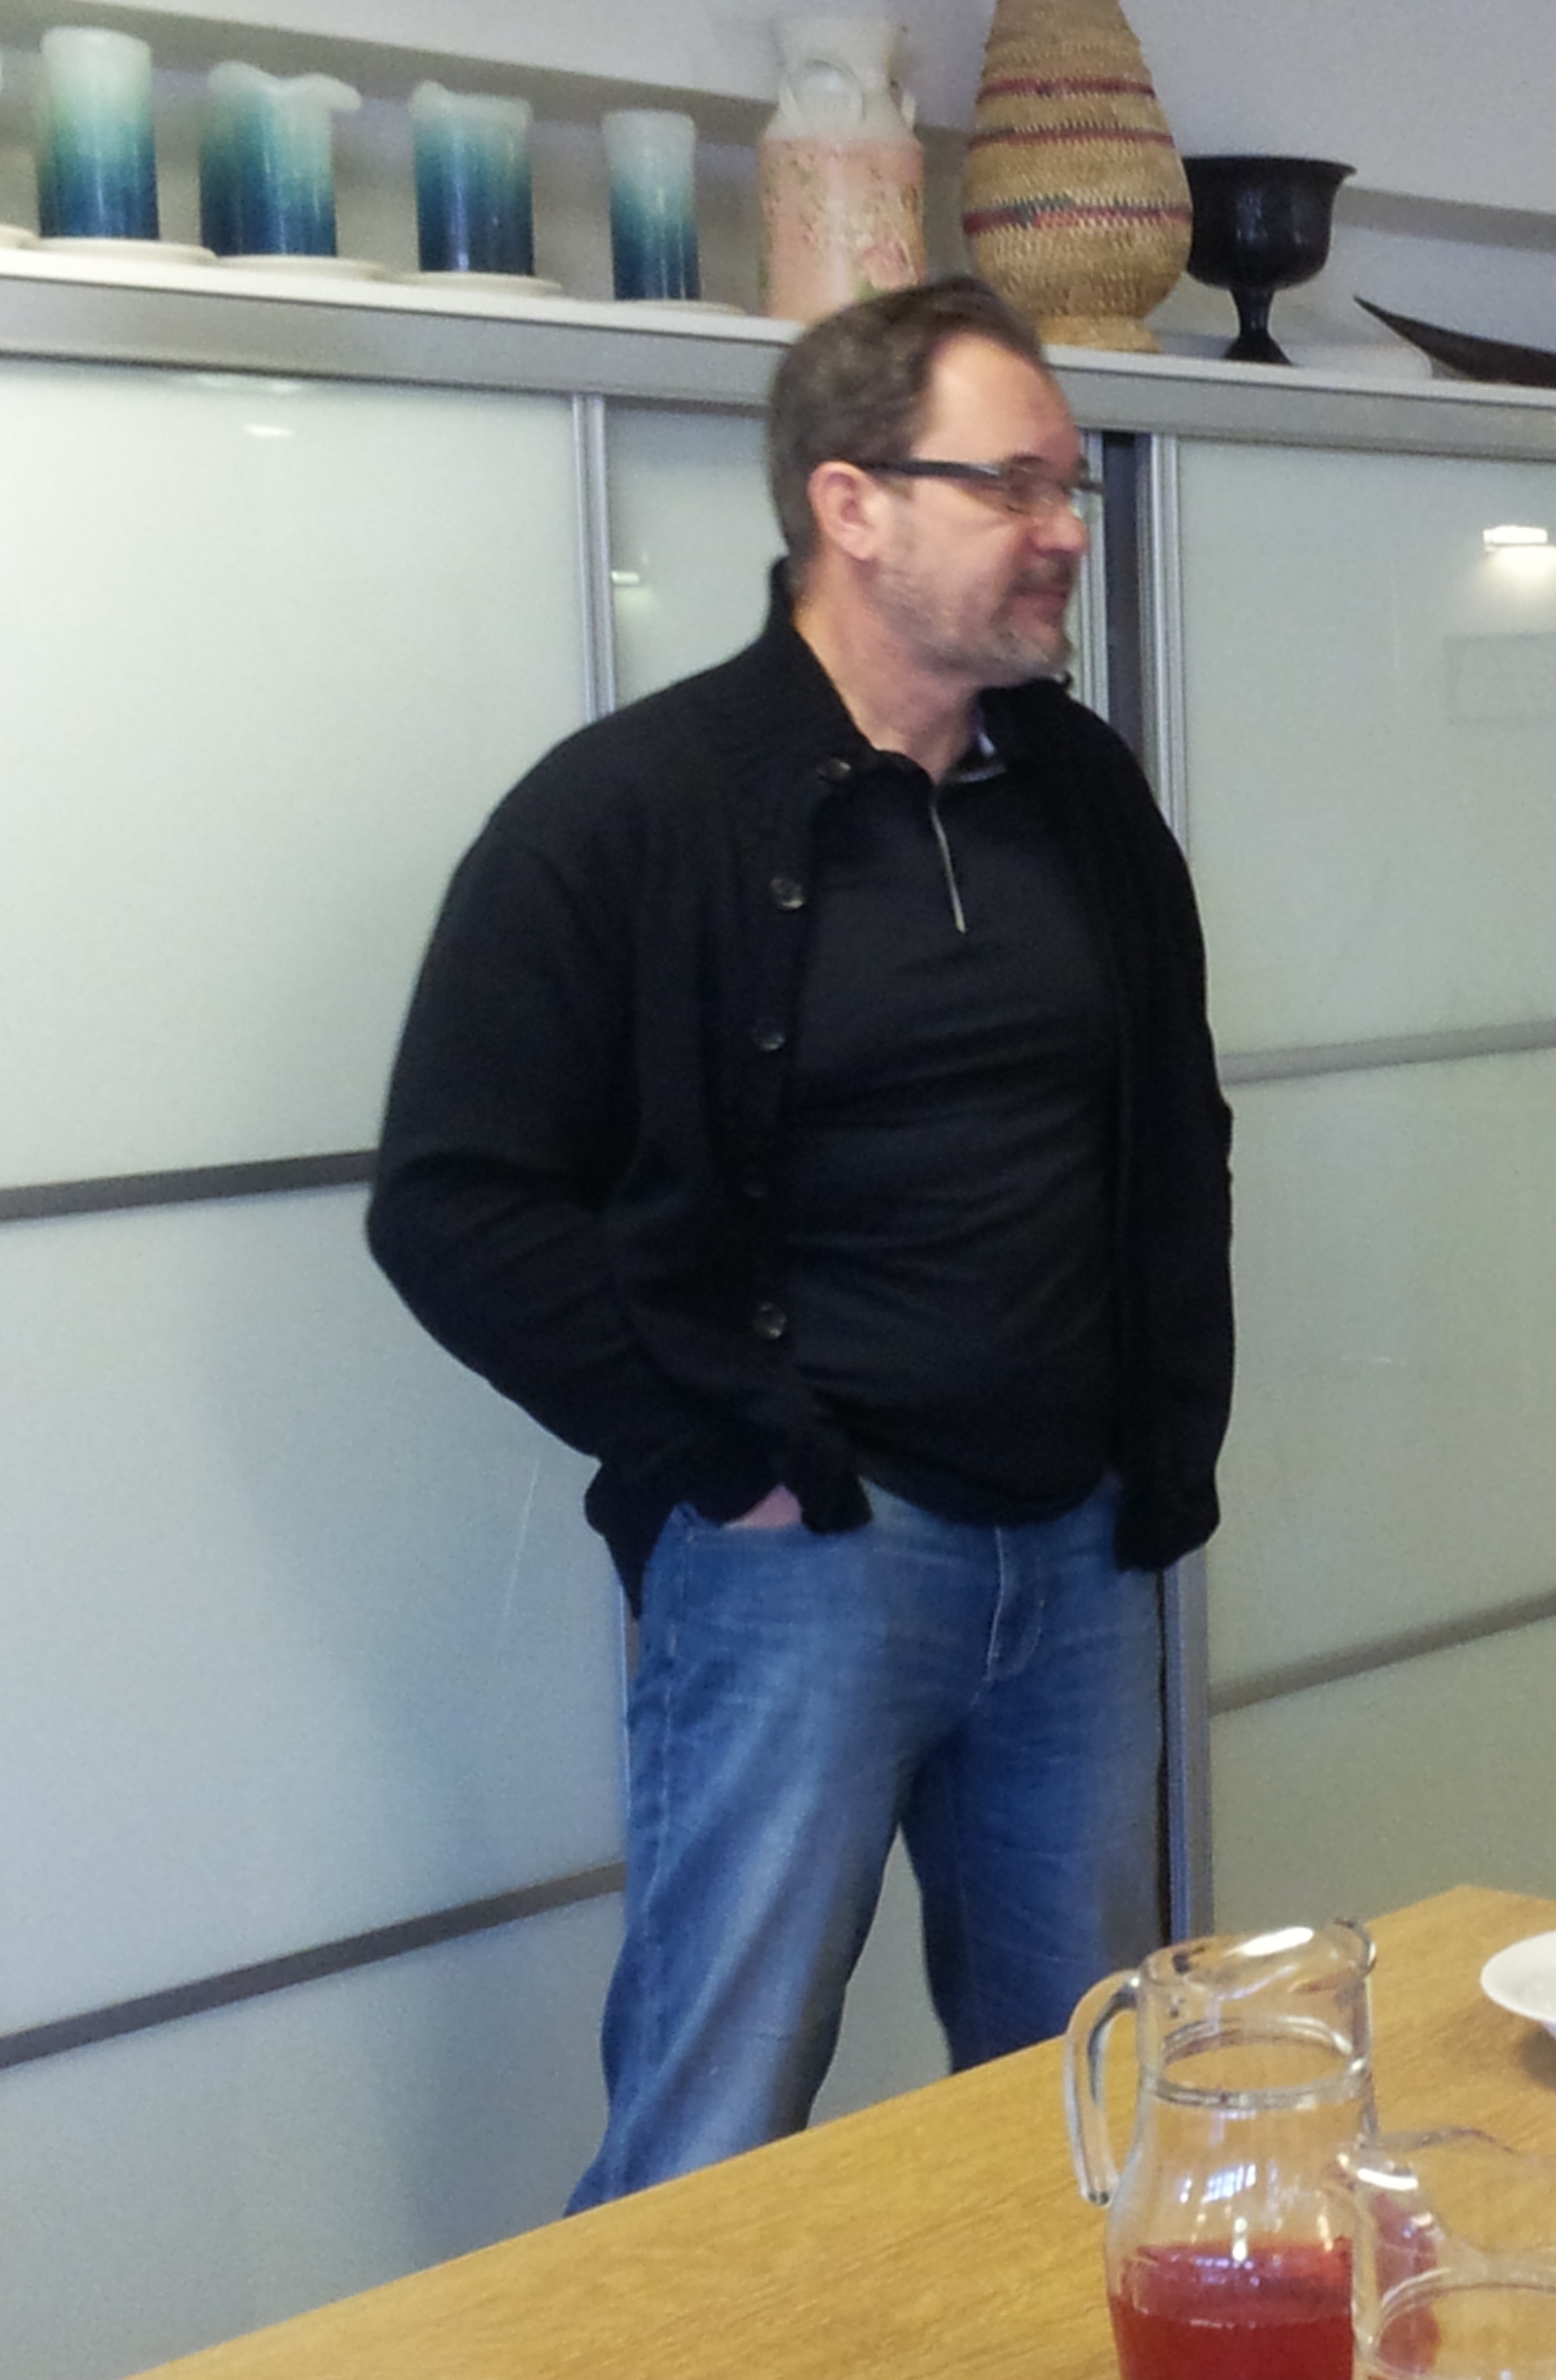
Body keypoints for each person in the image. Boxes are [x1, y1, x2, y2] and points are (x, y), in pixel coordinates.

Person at [368, 276, 1232, 2206]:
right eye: (1013, 484)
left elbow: (1176, 1131)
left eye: (1070, 486)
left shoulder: (1080, 789)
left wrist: (1161, 1445)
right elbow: (452, 1202)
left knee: (1092, 2120)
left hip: (1080, 1551)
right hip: (811, 1561)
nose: (1064, 530)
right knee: (715, 2125)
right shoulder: (632, 811)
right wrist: (725, 1456)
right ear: (851, 503)